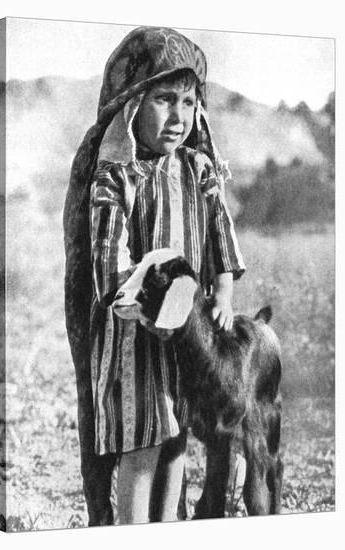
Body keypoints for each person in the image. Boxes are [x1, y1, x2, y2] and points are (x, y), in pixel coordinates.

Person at [64, 26, 245, 526]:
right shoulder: (116, 174)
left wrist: (223, 291)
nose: (178, 116)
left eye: (189, 102)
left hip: (186, 336)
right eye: (164, 99)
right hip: (133, 335)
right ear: (131, 104)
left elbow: (219, 236)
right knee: (142, 441)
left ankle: (168, 529)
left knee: (176, 440)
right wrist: (150, 300)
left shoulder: (199, 169)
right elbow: (108, 262)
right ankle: (131, 530)